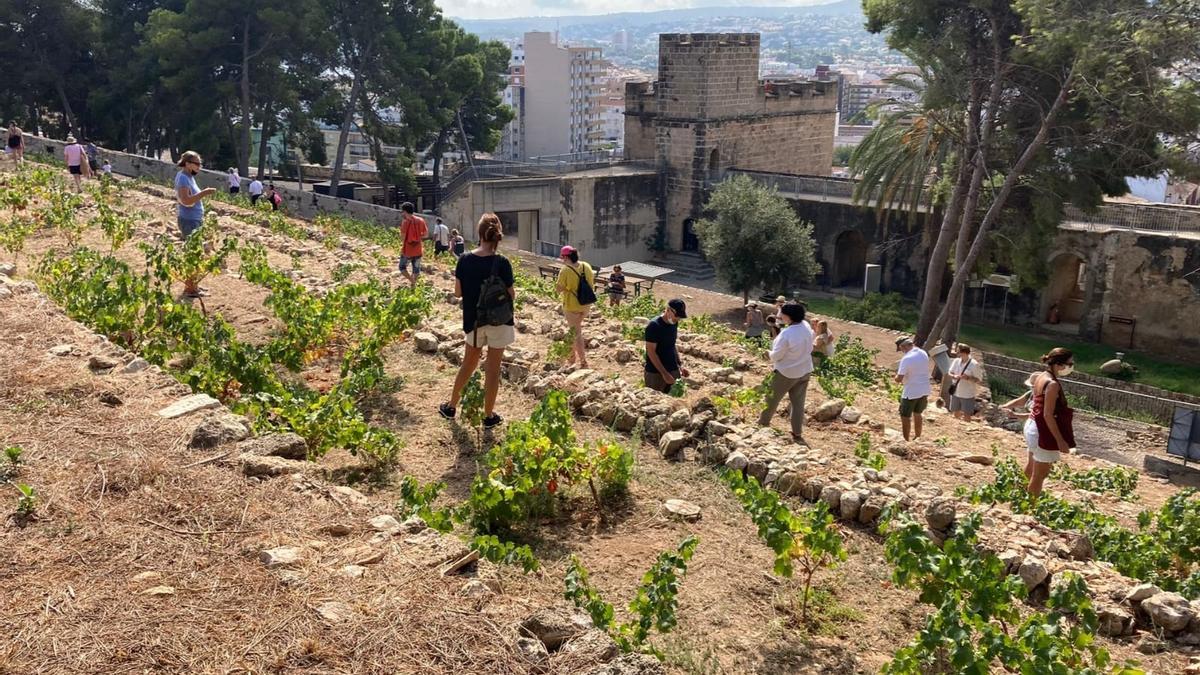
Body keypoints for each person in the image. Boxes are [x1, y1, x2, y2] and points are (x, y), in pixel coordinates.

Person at [439, 213, 515, 430]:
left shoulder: (464, 260)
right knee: (493, 369)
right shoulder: (502, 262)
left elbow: (458, 293)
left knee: (469, 363)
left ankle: (451, 406)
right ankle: (489, 416)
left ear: (480, 233)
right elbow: (511, 294)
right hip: (499, 321)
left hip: (474, 321)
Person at [758, 303, 816, 444]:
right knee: (798, 403)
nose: (780, 315)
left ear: (788, 316)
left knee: (771, 399)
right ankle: (797, 432)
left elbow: (777, 355)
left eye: (782, 313)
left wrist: (768, 354)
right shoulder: (806, 326)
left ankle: (762, 423)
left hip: (786, 372)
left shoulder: (786, 334)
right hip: (805, 369)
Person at [1025, 348, 1076, 497]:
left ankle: (1019, 495)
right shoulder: (1052, 384)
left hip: (1031, 425)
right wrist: (1060, 441)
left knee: (1031, 466)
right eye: (1069, 363)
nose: (1071, 366)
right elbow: (1048, 414)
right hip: (1042, 430)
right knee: (1040, 474)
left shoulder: (1041, 377)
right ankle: (1029, 507)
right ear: (1059, 364)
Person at [174, 151, 217, 299]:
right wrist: (204, 193)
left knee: (195, 253)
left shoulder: (188, 177)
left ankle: (193, 285)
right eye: (197, 163)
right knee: (193, 253)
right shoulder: (183, 179)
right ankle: (190, 288)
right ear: (187, 164)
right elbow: (185, 201)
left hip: (194, 219)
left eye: (200, 163)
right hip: (189, 220)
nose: (200, 166)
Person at [555, 245, 596, 368]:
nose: (562, 259)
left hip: (572, 306)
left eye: (563, 257)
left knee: (576, 332)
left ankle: (582, 361)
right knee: (574, 330)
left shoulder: (565, 270)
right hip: (586, 305)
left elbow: (558, 289)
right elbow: (591, 283)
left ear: (567, 257)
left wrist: (567, 287)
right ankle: (571, 356)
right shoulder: (586, 266)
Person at [644, 299, 690, 393]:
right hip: (655, 372)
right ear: (668, 310)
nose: (677, 319)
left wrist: (680, 365)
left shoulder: (674, 323)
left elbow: (671, 345)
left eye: (680, 317)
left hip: (672, 368)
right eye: (676, 316)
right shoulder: (654, 325)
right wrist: (664, 373)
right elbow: (651, 352)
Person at [894, 335, 931, 441]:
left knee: (905, 416)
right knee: (918, 413)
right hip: (924, 389)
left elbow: (899, 378)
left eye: (901, 349)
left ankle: (906, 440)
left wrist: (895, 377)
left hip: (911, 391)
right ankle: (917, 437)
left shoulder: (906, 358)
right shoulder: (923, 353)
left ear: (903, 346)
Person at [947, 343, 984, 420]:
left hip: (967, 394)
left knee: (967, 415)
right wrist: (954, 376)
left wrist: (968, 378)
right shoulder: (956, 361)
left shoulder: (974, 364)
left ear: (963, 352)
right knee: (955, 412)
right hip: (956, 391)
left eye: (958, 351)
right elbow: (950, 372)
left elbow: (979, 380)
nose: (957, 353)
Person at [398, 202, 428, 289]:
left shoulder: (405, 222)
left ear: (405, 211)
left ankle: (412, 281)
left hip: (407, 250)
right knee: (416, 269)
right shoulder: (421, 220)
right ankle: (413, 285)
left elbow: (403, 238)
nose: (402, 213)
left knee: (402, 267)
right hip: (418, 249)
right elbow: (426, 235)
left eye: (402, 211)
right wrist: (417, 237)